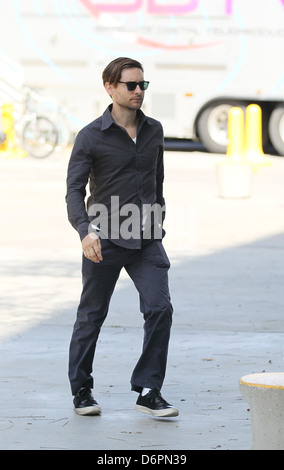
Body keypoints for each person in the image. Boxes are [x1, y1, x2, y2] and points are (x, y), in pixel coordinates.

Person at [66, 57, 179, 418]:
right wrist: (85, 231)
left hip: (146, 238)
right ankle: (82, 389)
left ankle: (149, 390)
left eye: (142, 85)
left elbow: (157, 180)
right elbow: (73, 191)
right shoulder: (90, 136)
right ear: (110, 88)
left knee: (160, 308)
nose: (137, 92)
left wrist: (158, 219)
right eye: (130, 85)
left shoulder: (154, 130)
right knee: (92, 316)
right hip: (105, 239)